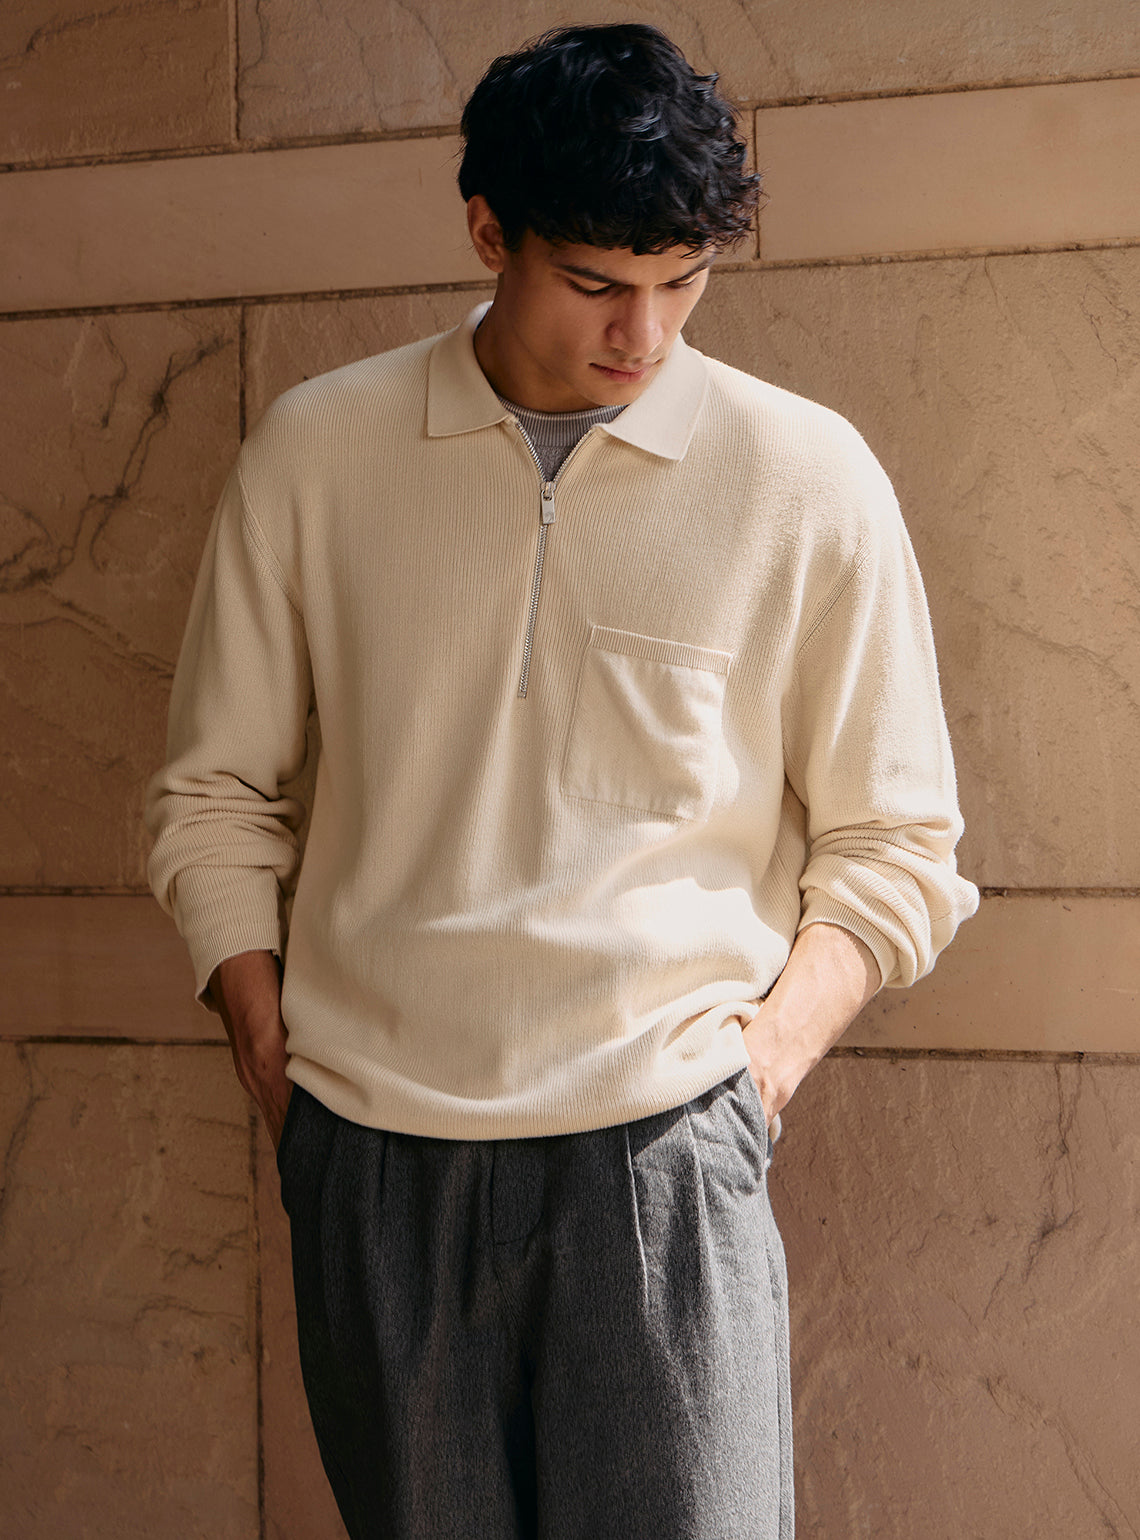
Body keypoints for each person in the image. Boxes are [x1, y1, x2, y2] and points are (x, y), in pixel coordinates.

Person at [146, 22, 978, 1540]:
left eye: (683, 281)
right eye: (596, 281)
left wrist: (759, 1074)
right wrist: (266, 1038)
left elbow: (898, 838)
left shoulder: (805, 477)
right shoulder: (318, 452)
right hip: (378, 1157)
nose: (642, 334)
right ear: (489, 232)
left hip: (663, 1155)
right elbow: (216, 791)